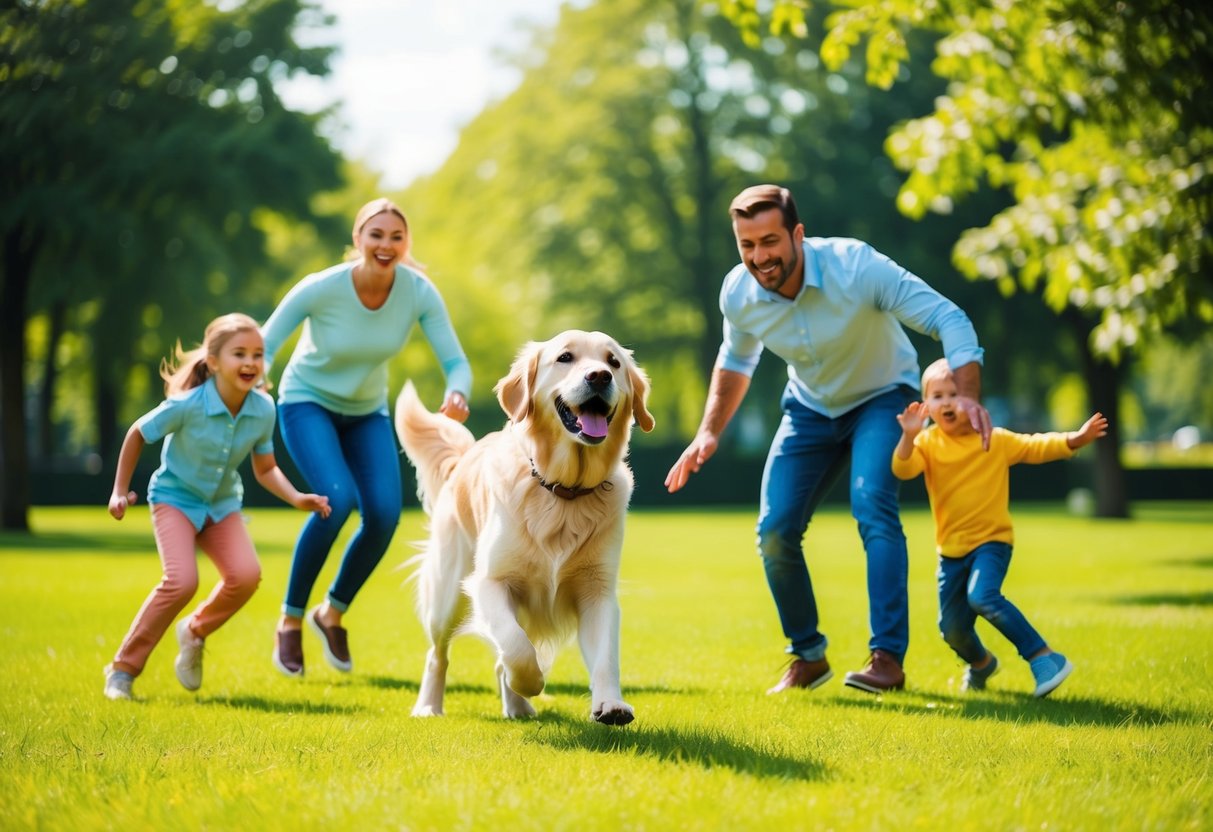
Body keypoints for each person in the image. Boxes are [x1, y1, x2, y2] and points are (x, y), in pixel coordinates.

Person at [665, 183, 991, 695]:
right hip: (811, 409)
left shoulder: (856, 268)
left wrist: (969, 394)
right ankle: (808, 656)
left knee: (871, 507)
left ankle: (886, 658)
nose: (760, 257)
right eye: (746, 245)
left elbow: (947, 317)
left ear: (798, 234)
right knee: (773, 530)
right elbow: (736, 357)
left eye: (770, 241)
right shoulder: (738, 292)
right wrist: (708, 432)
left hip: (885, 398)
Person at [261, 197, 472, 678]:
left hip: (366, 412)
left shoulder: (417, 292)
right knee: (335, 499)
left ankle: (330, 614)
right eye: (375, 235)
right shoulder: (321, 288)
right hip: (305, 402)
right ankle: (290, 623)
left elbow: (455, 361)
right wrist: (256, 381)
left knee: (383, 514)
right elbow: (266, 341)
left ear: (405, 244)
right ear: (357, 239)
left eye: (396, 237)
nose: (385, 245)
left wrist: (458, 390)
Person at [103, 314, 331, 701]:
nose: (250, 363)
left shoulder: (263, 409)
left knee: (245, 576)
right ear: (212, 362)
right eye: (238, 353)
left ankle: (194, 632)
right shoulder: (188, 404)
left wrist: (296, 497)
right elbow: (138, 433)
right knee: (181, 583)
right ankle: (122, 671)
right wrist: (119, 491)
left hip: (222, 504)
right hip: (174, 499)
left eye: (257, 354)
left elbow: (265, 468)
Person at [893, 358, 1107, 697]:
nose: (946, 402)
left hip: (991, 542)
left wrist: (1075, 440)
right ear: (927, 405)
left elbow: (1035, 445)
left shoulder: (992, 438)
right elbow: (904, 470)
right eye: (937, 396)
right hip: (950, 551)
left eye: (954, 394)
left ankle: (1044, 657)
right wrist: (908, 437)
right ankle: (981, 664)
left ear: (973, 400)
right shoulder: (928, 444)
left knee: (983, 596)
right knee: (951, 630)